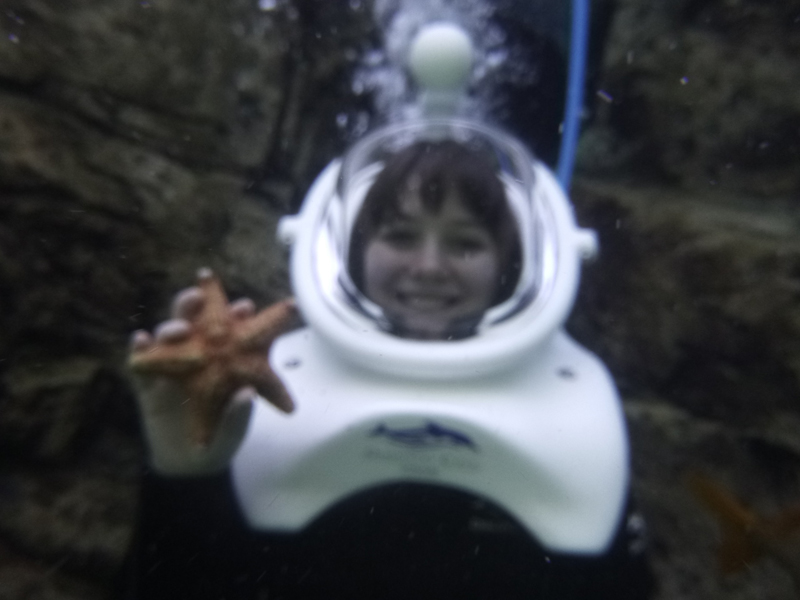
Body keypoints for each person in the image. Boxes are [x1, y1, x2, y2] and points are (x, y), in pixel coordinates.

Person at [123, 138, 654, 600]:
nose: (427, 266)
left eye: (465, 243)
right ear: (354, 250)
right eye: (400, 236)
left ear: (508, 265)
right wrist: (185, 477)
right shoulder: (269, 381)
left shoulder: (572, 406)